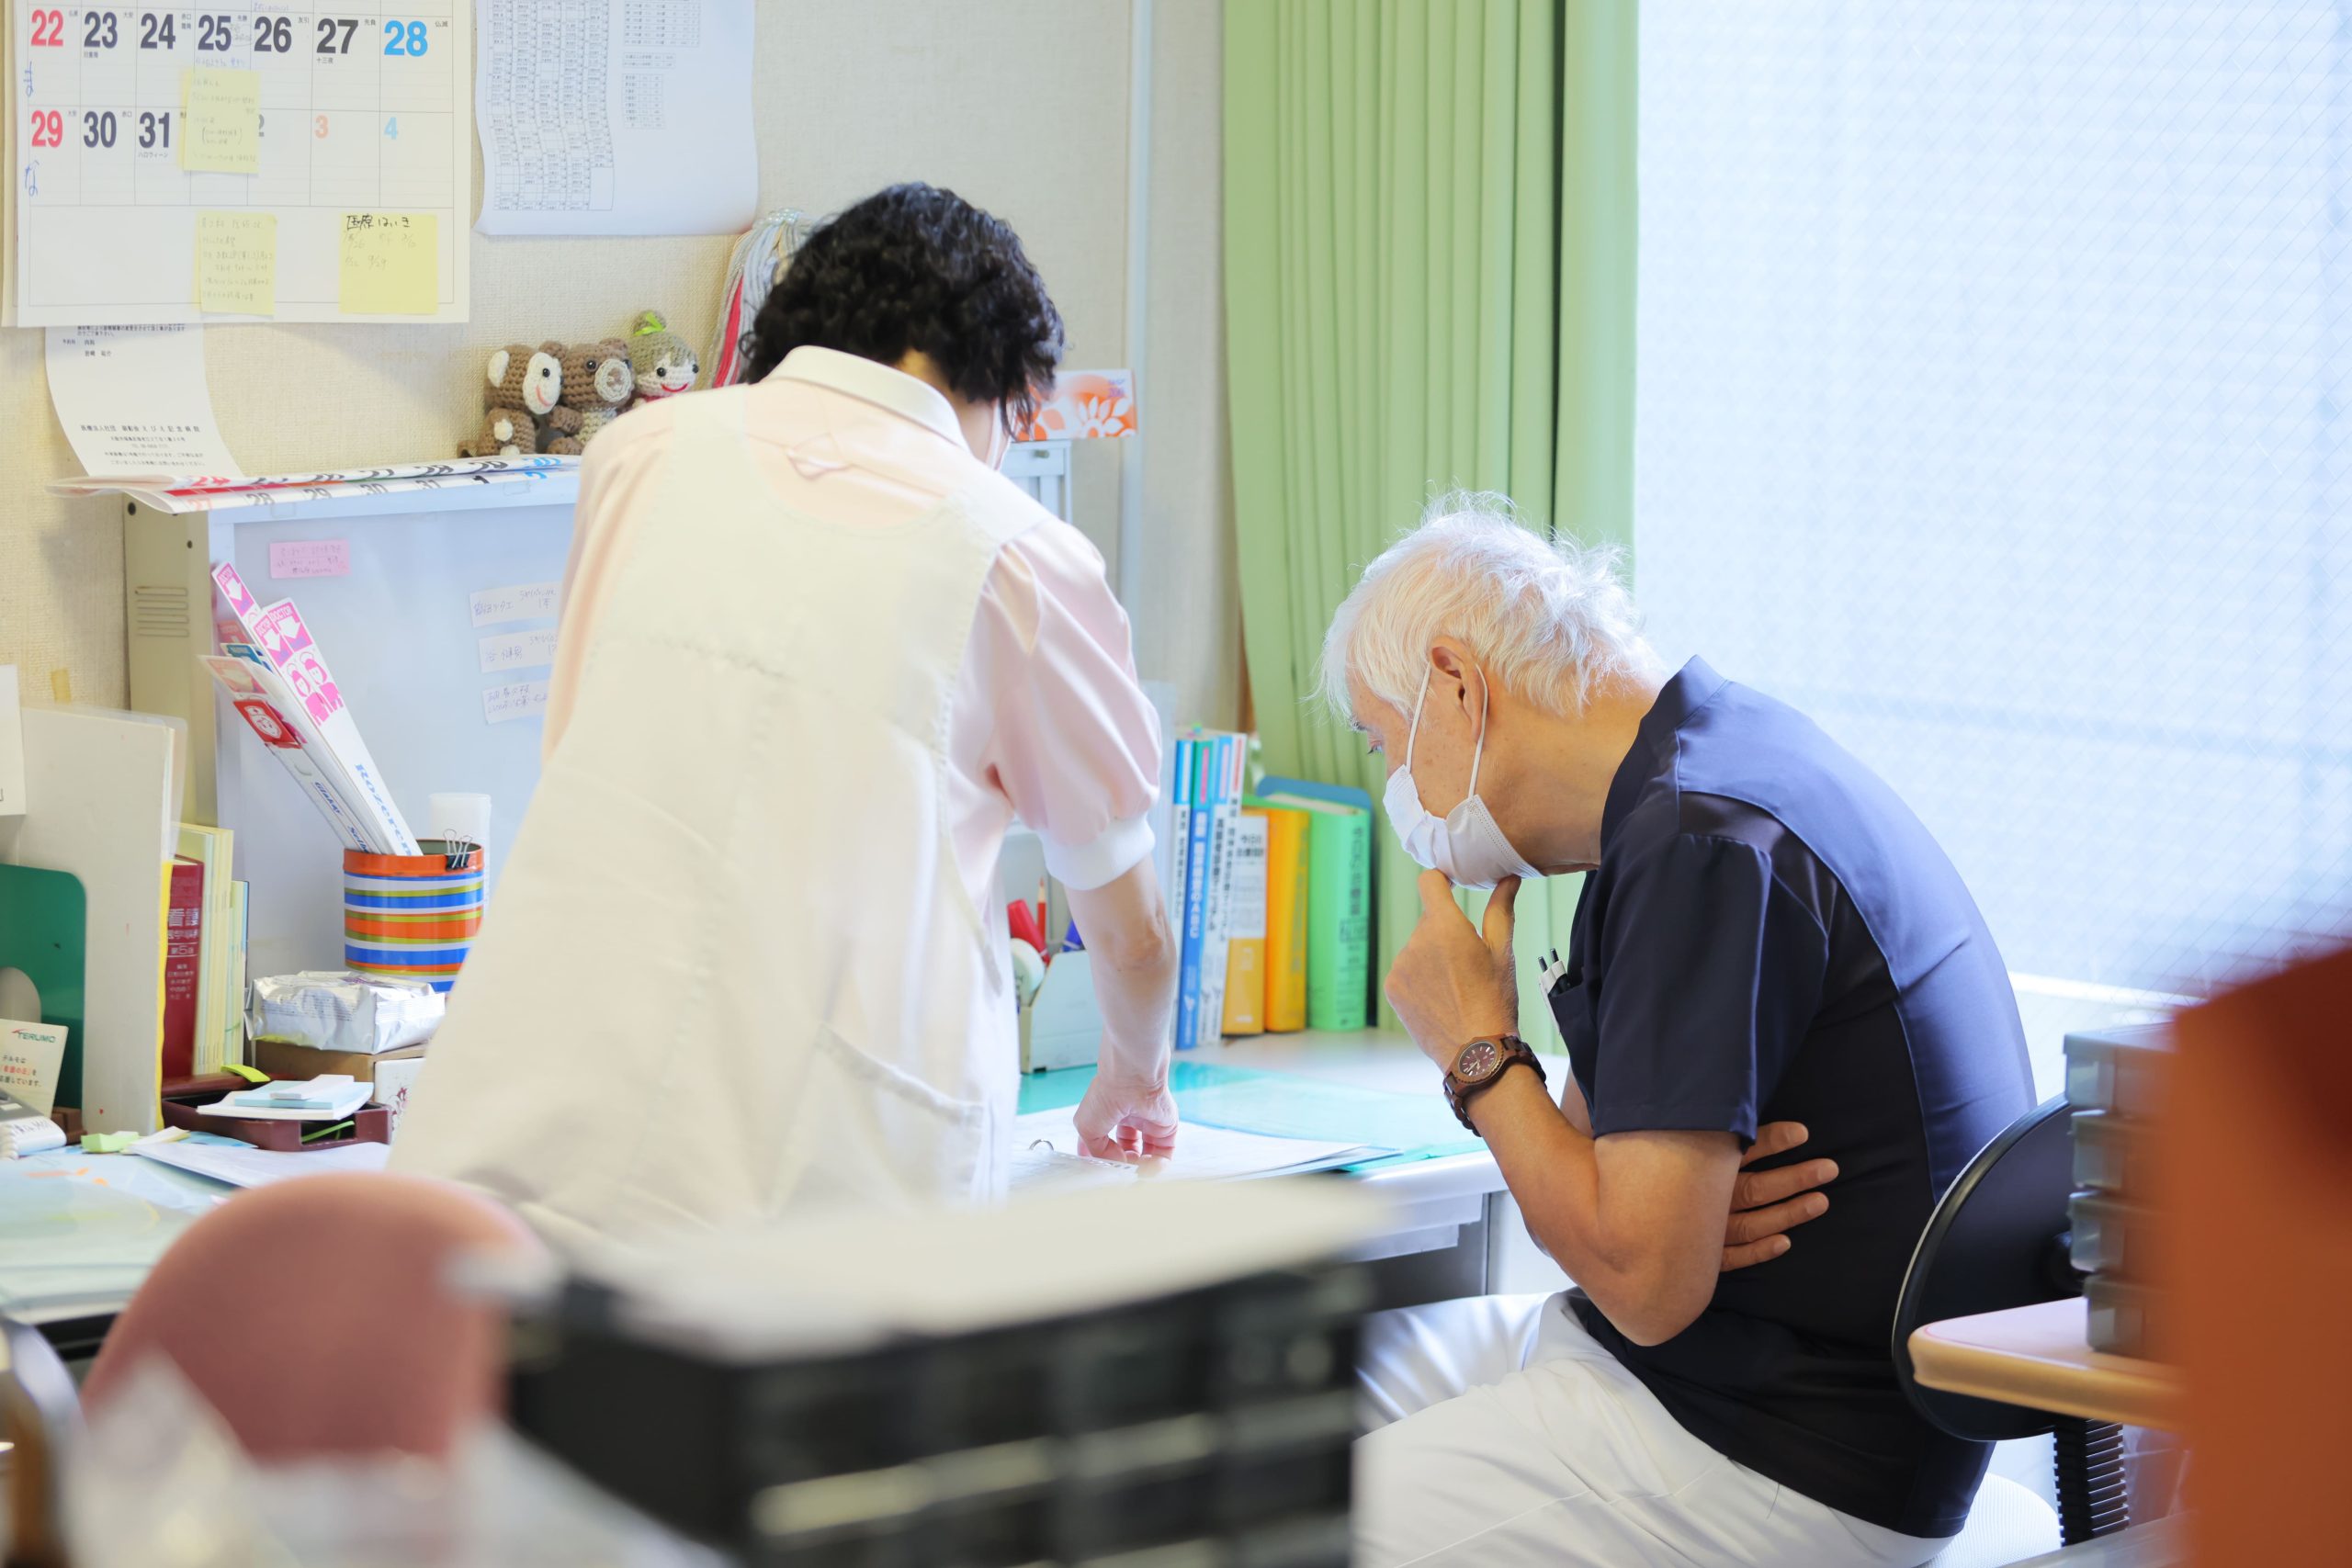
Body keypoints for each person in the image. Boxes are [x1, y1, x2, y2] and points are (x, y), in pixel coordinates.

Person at [392, 184, 1185, 1251]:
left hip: (530, 1128)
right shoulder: (1015, 550)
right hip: (821, 1186)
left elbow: (583, 756)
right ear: (994, 380)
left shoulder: (639, 456)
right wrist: (1131, 1084)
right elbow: (1130, 930)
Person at [1323, 494, 2036, 1566]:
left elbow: (1645, 1283)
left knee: (1279, 1521)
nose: (1396, 788)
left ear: (1457, 685)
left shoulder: (1700, 841)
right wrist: (1632, 1209)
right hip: (1685, 1362)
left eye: (1384, 741)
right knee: (1279, 1407)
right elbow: (1598, 1201)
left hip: (1772, 1450)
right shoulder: (1695, 773)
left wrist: (1477, 1048)